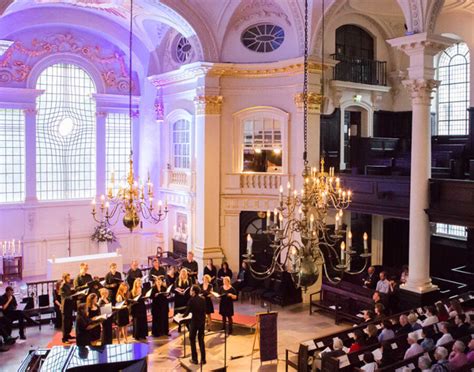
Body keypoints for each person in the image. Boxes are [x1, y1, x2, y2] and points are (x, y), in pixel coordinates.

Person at [182, 285, 206, 365]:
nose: (190, 291)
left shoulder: (191, 300)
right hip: (202, 322)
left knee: (192, 339)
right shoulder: (203, 299)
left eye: (191, 290)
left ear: (194, 292)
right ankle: (203, 359)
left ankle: (194, 359)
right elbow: (204, 311)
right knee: (201, 340)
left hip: (195, 322)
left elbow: (187, 313)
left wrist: (181, 316)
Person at [59, 273, 75, 344]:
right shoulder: (62, 286)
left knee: (69, 321)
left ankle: (68, 335)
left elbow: (69, 292)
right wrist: (71, 296)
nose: (69, 279)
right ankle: (64, 338)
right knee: (65, 323)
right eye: (68, 278)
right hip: (65, 306)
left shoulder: (68, 285)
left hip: (69, 305)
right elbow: (64, 296)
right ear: (65, 278)